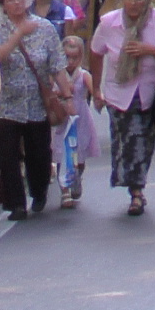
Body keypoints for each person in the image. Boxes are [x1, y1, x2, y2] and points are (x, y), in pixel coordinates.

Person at [90, 0, 155, 216]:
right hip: (119, 92)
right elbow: (95, 52)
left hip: (153, 94)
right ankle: (136, 192)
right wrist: (96, 90)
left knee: (145, 143)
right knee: (129, 141)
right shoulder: (109, 23)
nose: (133, 3)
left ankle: (135, 185)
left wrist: (150, 50)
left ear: (147, 0)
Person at [52, 34, 98, 208]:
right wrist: (58, 93)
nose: (70, 62)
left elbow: (95, 90)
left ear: (81, 57)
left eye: (75, 57)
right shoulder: (57, 75)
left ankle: (76, 177)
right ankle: (65, 192)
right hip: (62, 120)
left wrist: (101, 99)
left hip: (80, 121)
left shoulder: (83, 75)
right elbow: (49, 91)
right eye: (66, 57)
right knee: (61, 155)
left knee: (79, 157)